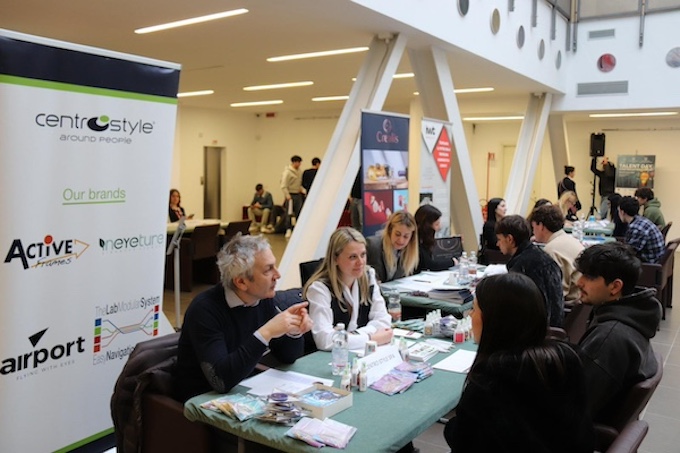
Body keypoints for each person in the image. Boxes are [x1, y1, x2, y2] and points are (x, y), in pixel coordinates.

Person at [443, 273, 593, 453]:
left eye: (474, 310)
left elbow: (465, 443)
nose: (470, 316)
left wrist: (452, 428)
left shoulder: (488, 383)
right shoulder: (565, 359)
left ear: (493, 321)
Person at [174, 234, 313, 402]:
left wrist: (293, 330)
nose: (278, 275)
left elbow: (288, 356)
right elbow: (220, 381)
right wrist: (266, 333)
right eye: (268, 270)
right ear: (241, 282)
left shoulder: (262, 299)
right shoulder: (204, 310)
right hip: (202, 400)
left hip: (244, 389)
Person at [575, 242, 662, 423]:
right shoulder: (633, 317)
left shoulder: (608, 339)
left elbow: (573, 410)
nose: (579, 282)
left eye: (589, 277)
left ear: (615, 287)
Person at [303, 227, 393, 351]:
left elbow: (383, 321)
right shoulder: (319, 289)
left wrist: (351, 336)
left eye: (363, 255)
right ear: (335, 259)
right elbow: (324, 340)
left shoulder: (369, 276)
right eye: (352, 257)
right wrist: (371, 338)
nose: (360, 262)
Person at [496, 215, 565, 327]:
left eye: (499, 239)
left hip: (537, 331)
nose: (497, 244)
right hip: (555, 326)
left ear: (509, 239)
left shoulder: (520, 267)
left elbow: (516, 309)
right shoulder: (544, 257)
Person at [529, 204, 584, 306]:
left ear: (541, 226)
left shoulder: (551, 251)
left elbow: (556, 293)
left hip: (567, 307)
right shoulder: (571, 240)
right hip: (579, 306)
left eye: (533, 227)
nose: (533, 231)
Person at [366, 211, 419, 282]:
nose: (401, 240)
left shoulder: (408, 252)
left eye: (406, 236)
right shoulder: (372, 245)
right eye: (397, 234)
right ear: (390, 230)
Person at [618, 196, 665, 264]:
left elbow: (629, 252)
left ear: (622, 212)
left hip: (648, 265)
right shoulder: (640, 220)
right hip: (654, 260)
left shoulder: (636, 228)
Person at [415, 204, 457, 272]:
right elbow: (431, 265)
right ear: (427, 226)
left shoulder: (424, 239)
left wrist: (455, 242)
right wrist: (452, 262)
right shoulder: (416, 241)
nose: (439, 227)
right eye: (436, 224)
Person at [280, 155, 305, 238]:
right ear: (294, 162)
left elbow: (299, 184)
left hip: (298, 195)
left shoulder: (300, 171)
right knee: (289, 213)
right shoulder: (287, 172)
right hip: (290, 195)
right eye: (298, 162)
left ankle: (298, 229)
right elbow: (283, 185)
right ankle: (288, 229)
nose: (300, 164)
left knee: (299, 212)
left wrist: (303, 190)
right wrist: (287, 195)